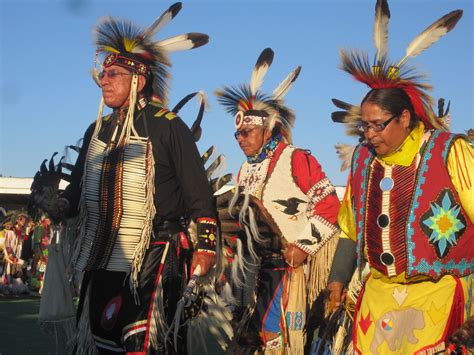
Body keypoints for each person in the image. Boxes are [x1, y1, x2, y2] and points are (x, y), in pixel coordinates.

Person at [35, 3, 216, 353]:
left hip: (155, 254)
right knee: (101, 341)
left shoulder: (166, 126)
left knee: (143, 343)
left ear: (138, 79)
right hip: (102, 256)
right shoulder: (98, 131)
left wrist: (205, 248)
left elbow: (199, 194)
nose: (104, 80)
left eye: (113, 74)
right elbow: (78, 193)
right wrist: (57, 204)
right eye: (103, 74)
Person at [327, 2, 472, 354]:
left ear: (404, 119)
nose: (369, 134)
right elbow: (350, 228)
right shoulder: (363, 160)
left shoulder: (448, 152)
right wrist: (336, 281)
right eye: (365, 125)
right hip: (377, 303)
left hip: (438, 299)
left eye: (378, 125)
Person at [216, 48, 341, 354]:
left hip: (288, 268)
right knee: (247, 335)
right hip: (252, 269)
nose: (241, 139)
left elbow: (329, 204)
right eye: (237, 135)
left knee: (276, 338)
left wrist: (302, 246)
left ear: (267, 129)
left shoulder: (295, 159)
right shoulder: (244, 170)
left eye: (248, 132)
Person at [30, 217, 52, 293]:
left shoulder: (47, 228)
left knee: (43, 269)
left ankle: (41, 287)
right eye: (49, 220)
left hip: (45, 250)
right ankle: (35, 287)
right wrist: (39, 252)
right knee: (38, 270)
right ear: (46, 220)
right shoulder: (40, 227)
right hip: (40, 251)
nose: (50, 222)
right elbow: (37, 241)